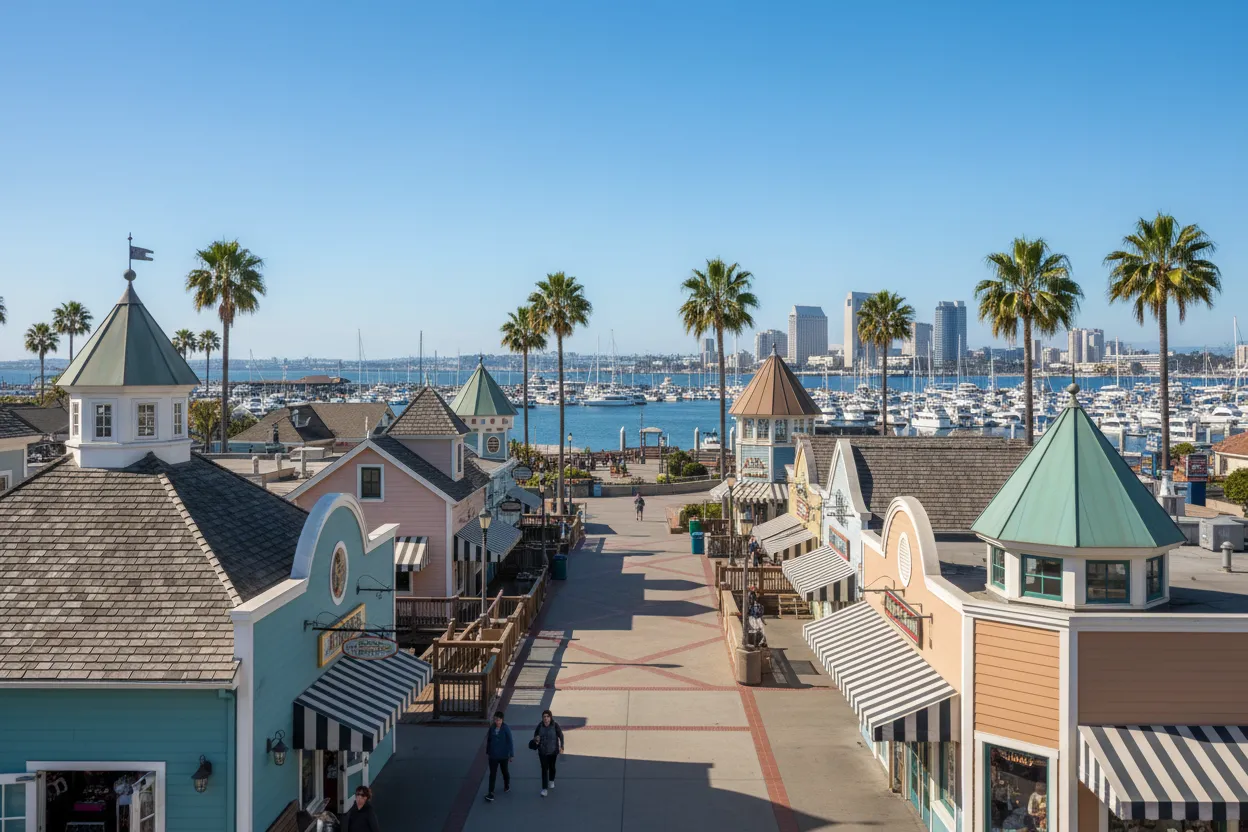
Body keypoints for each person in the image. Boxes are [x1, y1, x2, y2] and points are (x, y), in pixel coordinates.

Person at [532, 709, 565, 797]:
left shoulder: (555, 725)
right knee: (544, 769)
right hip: (542, 752)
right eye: (544, 717)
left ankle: (551, 780)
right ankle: (544, 788)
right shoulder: (540, 726)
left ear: (550, 718)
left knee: (552, 767)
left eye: (547, 717)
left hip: (553, 751)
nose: (546, 719)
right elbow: (535, 735)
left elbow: (561, 735)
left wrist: (562, 746)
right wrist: (536, 739)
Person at [484, 710, 514, 802]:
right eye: (496, 720)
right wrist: (488, 751)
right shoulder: (492, 728)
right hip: (493, 756)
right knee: (492, 774)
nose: (497, 722)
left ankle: (506, 785)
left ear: (502, 720)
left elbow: (510, 742)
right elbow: (489, 740)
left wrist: (511, 754)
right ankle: (491, 792)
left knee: (504, 771)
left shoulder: (506, 728)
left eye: (499, 720)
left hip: (503, 755)